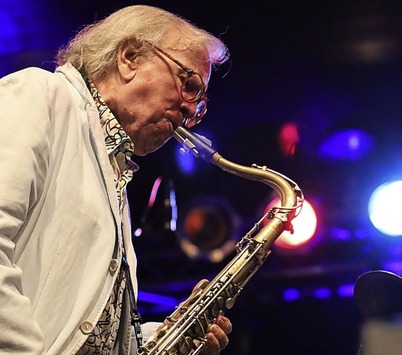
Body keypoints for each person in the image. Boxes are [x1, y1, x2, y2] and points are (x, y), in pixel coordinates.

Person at [0, 5, 233, 354]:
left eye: (198, 102)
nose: (189, 110)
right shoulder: (41, 95)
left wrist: (170, 338)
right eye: (188, 84)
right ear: (129, 57)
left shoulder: (114, 171)